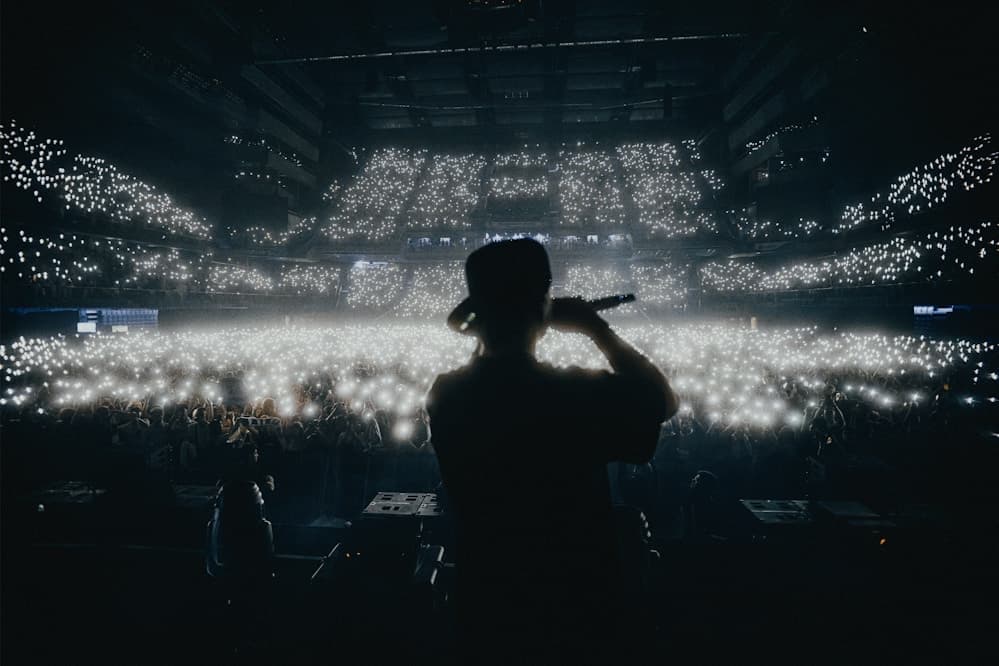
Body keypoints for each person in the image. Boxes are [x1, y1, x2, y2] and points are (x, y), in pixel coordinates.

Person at [427, 238, 678, 662]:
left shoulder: (448, 392)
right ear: (544, 310)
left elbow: (486, 360)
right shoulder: (572, 392)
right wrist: (595, 328)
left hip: (487, 603)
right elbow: (662, 401)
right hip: (574, 608)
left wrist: (496, 319)